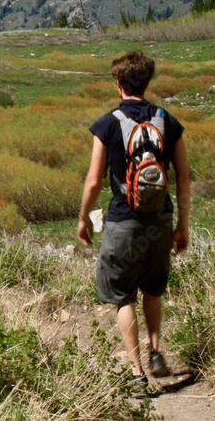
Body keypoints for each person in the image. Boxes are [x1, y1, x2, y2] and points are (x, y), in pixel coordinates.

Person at [77, 50, 191, 385]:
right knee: (152, 290)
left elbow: (94, 180)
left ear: (118, 83)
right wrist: (182, 225)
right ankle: (157, 352)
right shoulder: (167, 121)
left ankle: (137, 371)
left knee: (122, 294)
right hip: (160, 219)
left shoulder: (108, 123)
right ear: (148, 81)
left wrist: (84, 218)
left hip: (124, 219)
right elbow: (183, 177)